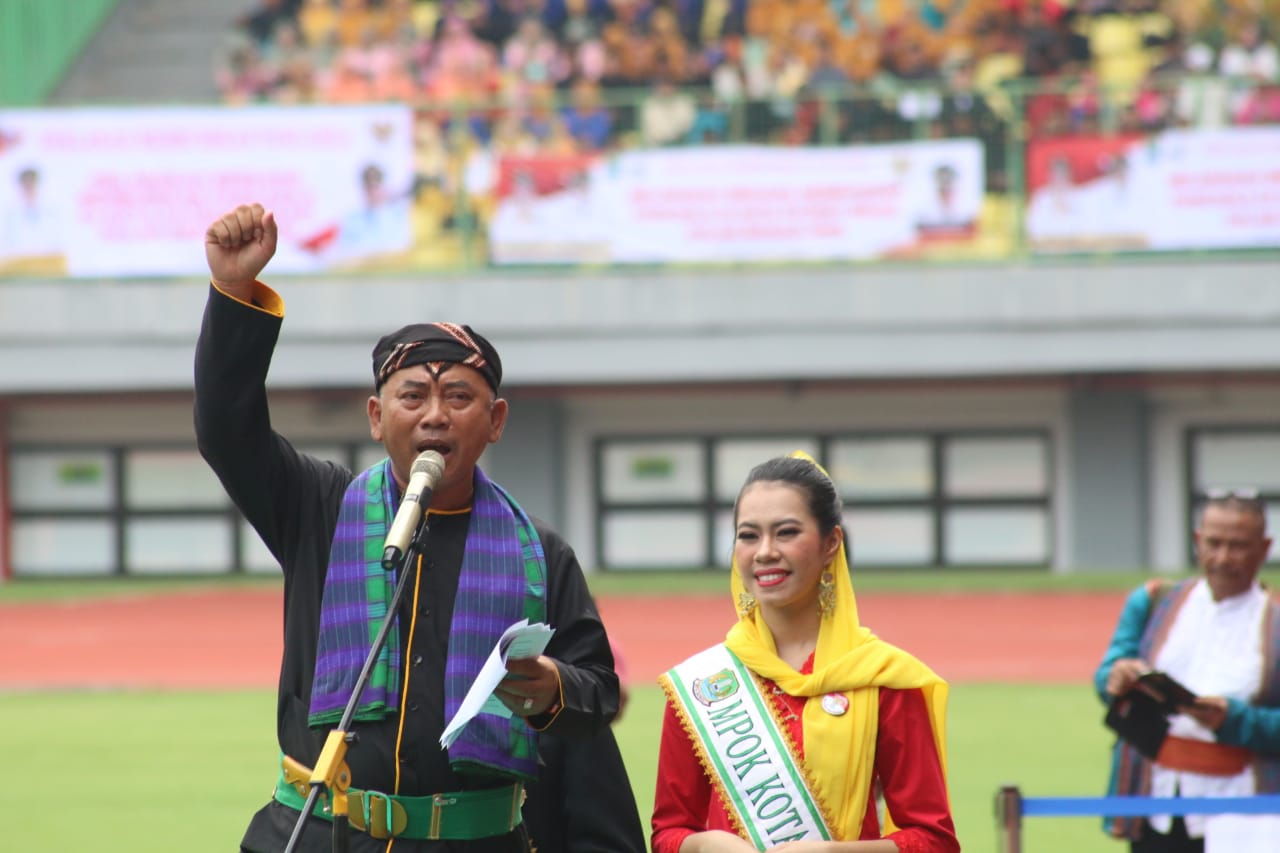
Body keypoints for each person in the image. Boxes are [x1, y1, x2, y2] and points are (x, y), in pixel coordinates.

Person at [197, 202, 624, 852]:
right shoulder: (323, 509)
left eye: (458, 397)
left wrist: (552, 689)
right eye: (412, 397)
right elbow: (228, 431)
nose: (434, 415)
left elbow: (597, 689)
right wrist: (234, 293)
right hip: (325, 832)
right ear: (375, 415)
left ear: (496, 419)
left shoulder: (539, 550)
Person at [651, 452, 959, 852]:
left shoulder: (883, 677)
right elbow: (668, 834)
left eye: (786, 532)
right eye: (748, 535)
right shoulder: (703, 683)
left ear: (831, 543)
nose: (764, 552)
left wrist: (833, 852)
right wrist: (703, 845)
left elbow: (934, 841)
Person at [1094, 490, 1280, 852]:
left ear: (1264, 548)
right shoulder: (1153, 602)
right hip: (1156, 800)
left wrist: (1233, 719)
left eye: (1238, 546)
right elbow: (1107, 676)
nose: (1223, 558)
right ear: (1197, 542)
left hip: (1246, 808)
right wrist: (1114, 679)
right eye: (1213, 543)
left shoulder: (1275, 622)